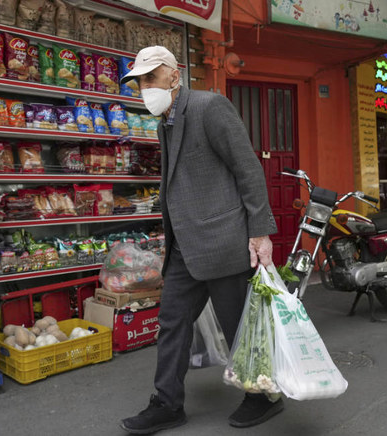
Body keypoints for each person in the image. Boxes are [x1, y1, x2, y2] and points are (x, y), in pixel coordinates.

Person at [119, 46, 282, 434]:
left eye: (151, 79)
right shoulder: (165, 122)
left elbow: (247, 169)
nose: (145, 88)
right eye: (140, 82)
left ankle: (262, 396)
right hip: (184, 248)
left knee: (238, 327)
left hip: (224, 241)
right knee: (172, 323)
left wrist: (260, 232)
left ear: (174, 77)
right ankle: (167, 403)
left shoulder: (210, 107)